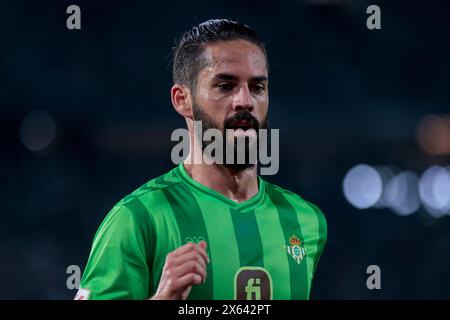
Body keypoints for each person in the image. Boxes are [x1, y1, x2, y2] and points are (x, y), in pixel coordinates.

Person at [76, 19, 327, 300]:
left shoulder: (306, 221)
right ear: (183, 99)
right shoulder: (137, 219)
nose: (245, 100)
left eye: (257, 87)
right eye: (225, 86)